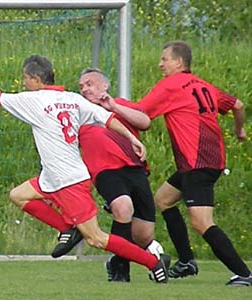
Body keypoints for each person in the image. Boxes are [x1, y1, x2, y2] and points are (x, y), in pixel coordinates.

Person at [0, 55, 168, 283]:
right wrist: (132, 137)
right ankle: (69, 229)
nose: (23, 83)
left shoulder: (34, 100)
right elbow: (107, 118)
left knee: (97, 238)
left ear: (36, 79)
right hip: (53, 176)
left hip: (68, 181)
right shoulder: (72, 99)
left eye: (25, 78)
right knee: (18, 195)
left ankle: (152, 262)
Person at [102, 40, 250, 286]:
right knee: (164, 199)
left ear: (179, 62)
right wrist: (239, 130)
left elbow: (141, 113)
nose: (160, 64)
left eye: (165, 59)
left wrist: (110, 106)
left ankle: (244, 274)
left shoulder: (172, 85)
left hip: (197, 164)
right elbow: (238, 105)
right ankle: (186, 261)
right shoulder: (203, 85)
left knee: (202, 222)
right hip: (203, 162)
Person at [75, 68, 167, 282]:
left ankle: (125, 259)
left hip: (135, 169)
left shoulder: (120, 105)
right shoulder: (79, 112)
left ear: (104, 86)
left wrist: (114, 107)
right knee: (123, 207)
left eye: (89, 84)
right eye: (81, 87)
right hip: (105, 171)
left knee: (143, 235)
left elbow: (145, 122)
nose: (85, 89)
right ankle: (120, 271)